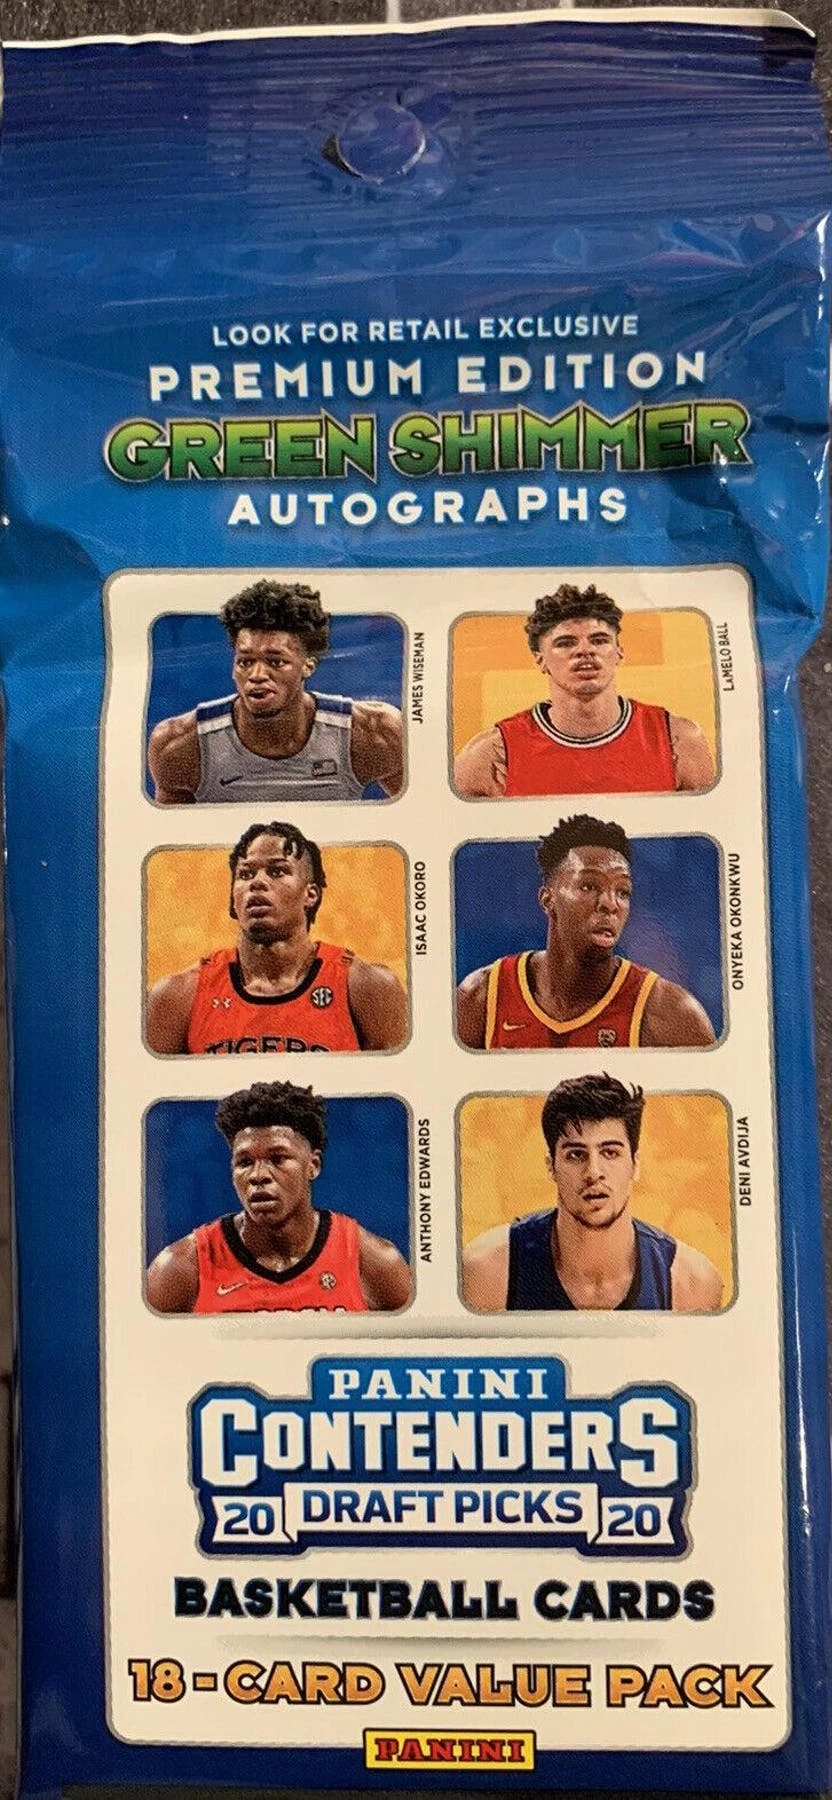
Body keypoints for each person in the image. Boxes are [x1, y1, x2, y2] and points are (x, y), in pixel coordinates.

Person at [146, 1080, 412, 1314]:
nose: (258, 1175)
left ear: (313, 1165)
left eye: (278, 1159)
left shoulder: (373, 1261)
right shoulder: (180, 1268)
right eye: (244, 1162)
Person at [462, 1074, 723, 1313]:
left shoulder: (690, 1283)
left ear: (635, 1165)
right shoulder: (489, 1271)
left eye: (610, 1152)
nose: (593, 1172)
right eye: (576, 1154)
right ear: (551, 1167)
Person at [146, 820, 408, 1054]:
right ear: (233, 897)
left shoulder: (369, 987)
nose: (257, 883)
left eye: (277, 871)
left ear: (310, 894)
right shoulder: (177, 996)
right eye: (245, 874)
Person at [456, 814, 715, 1050]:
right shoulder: (482, 996)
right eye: (590, 886)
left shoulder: (672, 1014)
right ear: (547, 900)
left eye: (622, 892)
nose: (610, 904)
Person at [148, 579, 403, 802]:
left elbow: (418, 819)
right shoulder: (179, 745)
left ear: (308, 666)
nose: (257, 675)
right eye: (245, 662)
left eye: (275, 662)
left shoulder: (374, 733)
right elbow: (167, 841)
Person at [453, 584, 715, 797]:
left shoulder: (678, 739)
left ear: (619, 653)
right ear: (540, 660)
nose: (585, 650)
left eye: (599, 640)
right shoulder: (494, 753)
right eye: (565, 643)